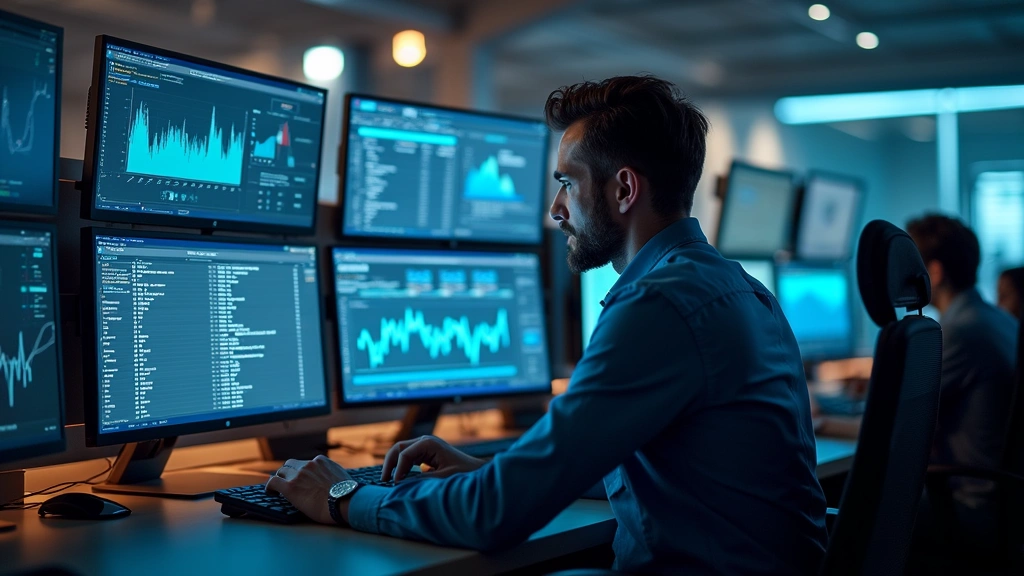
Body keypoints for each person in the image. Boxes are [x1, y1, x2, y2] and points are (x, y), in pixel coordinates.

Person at [268, 76, 828, 575]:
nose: (556, 209)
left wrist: (341, 494)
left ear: (624, 189)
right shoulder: (742, 290)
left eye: (567, 182)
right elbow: (665, 465)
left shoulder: (658, 306)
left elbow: (495, 517)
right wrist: (496, 468)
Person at [906, 215, 1019, 522]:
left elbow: (892, 424)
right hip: (1003, 504)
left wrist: (820, 420)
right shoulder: (999, 320)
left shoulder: (958, 332)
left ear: (935, 271)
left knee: (851, 513)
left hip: (966, 506)